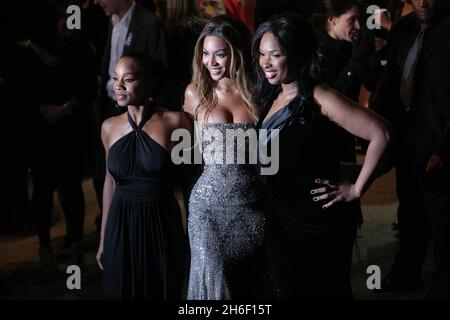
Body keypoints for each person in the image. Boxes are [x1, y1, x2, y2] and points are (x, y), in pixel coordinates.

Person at [253, 13, 392, 299]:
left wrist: (355, 189)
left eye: (275, 55)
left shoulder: (319, 96)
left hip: (315, 224)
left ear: (297, 54)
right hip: (281, 219)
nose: (265, 63)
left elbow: (383, 134)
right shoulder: (270, 95)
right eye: (261, 54)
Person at [371, 0, 450, 298]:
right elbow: (389, 80)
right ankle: (407, 273)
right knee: (410, 211)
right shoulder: (404, 28)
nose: (423, 1)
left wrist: (444, 148)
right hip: (407, 137)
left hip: (439, 138)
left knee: (442, 219)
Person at [96, 52, 191, 299]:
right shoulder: (108, 127)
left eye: (127, 79)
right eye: (115, 78)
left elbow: (192, 180)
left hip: (160, 222)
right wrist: (104, 237)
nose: (118, 85)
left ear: (149, 83)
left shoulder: (176, 123)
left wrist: (193, 230)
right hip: (120, 222)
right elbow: (109, 182)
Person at [183, 15, 266, 299]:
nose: (211, 62)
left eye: (220, 54)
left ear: (237, 53)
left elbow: (269, 152)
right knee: (216, 284)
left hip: (251, 206)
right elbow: (184, 148)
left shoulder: (257, 93)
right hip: (207, 207)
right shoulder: (195, 93)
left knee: (247, 285)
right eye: (205, 54)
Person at [92, 0, 169, 233]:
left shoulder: (149, 23)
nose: (96, 2)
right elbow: (109, 181)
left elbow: (162, 73)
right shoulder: (112, 23)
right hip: (112, 112)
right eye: (117, 79)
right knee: (108, 173)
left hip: (145, 116)